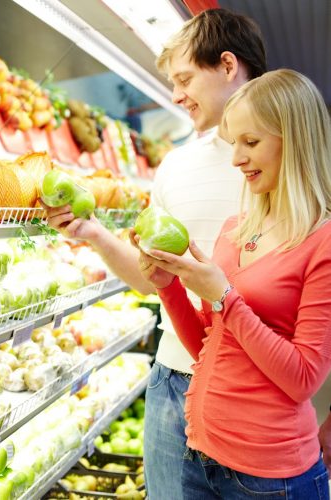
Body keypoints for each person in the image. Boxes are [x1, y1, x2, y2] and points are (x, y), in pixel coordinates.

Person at [43, 9, 267, 498]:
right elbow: (152, 280)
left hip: (258, 392)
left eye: (185, 78)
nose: (175, 96)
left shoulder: (287, 164)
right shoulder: (176, 165)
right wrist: (95, 233)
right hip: (173, 384)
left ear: (228, 66)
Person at [137, 68, 331, 499]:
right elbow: (208, 347)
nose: (237, 158)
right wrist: (169, 286)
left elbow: (304, 378)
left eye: (251, 142)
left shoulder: (323, 242)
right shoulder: (235, 229)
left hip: (269, 477)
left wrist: (225, 297)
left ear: (294, 139)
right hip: (200, 455)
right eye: (234, 142)